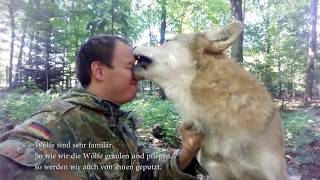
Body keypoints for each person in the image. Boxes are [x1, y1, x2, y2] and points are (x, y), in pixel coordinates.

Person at [0, 35, 204, 179]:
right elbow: (12, 159)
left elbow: (148, 172)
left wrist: (187, 151)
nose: (138, 74)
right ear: (99, 71)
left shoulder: (119, 125)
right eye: (129, 66)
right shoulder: (58, 120)